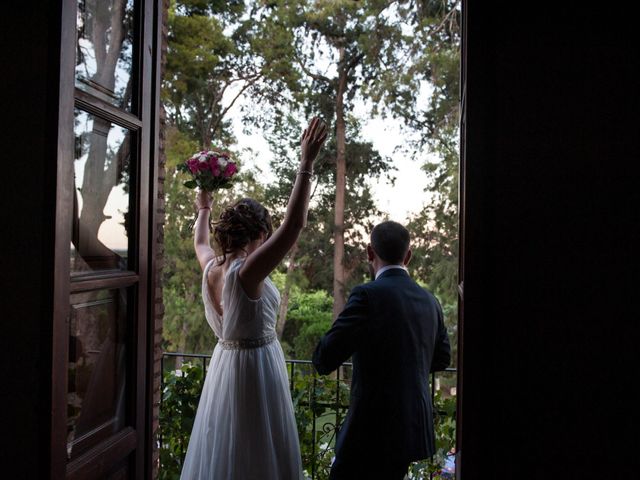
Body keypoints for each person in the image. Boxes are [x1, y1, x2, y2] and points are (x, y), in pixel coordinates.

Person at [180, 117, 328, 480]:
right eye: (266, 235)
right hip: (256, 371)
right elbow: (294, 226)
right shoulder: (247, 271)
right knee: (257, 452)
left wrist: (203, 207)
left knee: (225, 449)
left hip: (224, 368)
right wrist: (305, 164)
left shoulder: (211, 267)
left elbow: (200, 241)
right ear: (260, 232)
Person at [312, 220, 452, 480]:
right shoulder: (430, 302)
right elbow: (443, 357)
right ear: (408, 256)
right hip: (409, 429)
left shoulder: (367, 295)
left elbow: (324, 357)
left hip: (368, 429)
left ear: (369, 252)